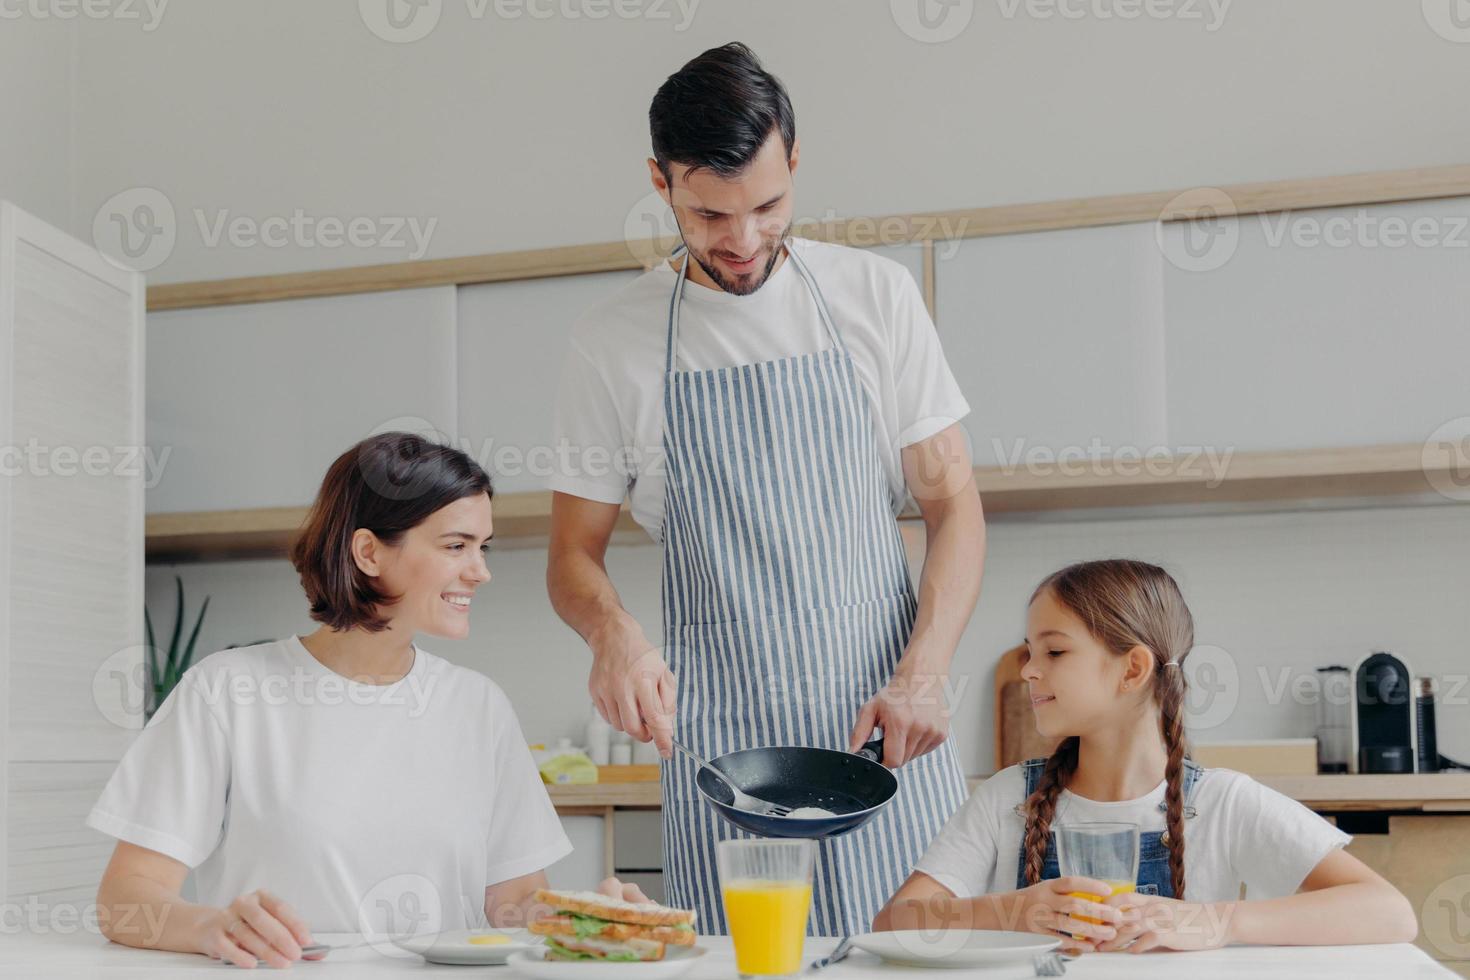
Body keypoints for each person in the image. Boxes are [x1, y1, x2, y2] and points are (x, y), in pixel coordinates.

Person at [546, 42, 984, 936]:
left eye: (770, 206)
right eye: (709, 213)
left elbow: (954, 508)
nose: (742, 241)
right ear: (660, 182)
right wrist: (614, 635)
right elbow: (570, 557)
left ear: (795, 164)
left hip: (887, 741)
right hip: (730, 774)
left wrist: (928, 669)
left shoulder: (877, 296)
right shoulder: (612, 341)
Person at [90, 433, 646, 969]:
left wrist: (587, 920)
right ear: (368, 552)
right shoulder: (226, 693)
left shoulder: (478, 706)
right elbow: (124, 899)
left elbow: (515, 900)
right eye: (456, 546)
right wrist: (210, 928)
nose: (480, 571)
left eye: (483, 547)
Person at [873, 559, 1418, 953]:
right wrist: (1013, 910)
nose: (1028, 670)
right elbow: (895, 923)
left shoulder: (1222, 803)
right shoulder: (1008, 798)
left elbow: (1389, 912)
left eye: (1054, 651)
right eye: (1030, 652)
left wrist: (1217, 922)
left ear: (1132, 670)